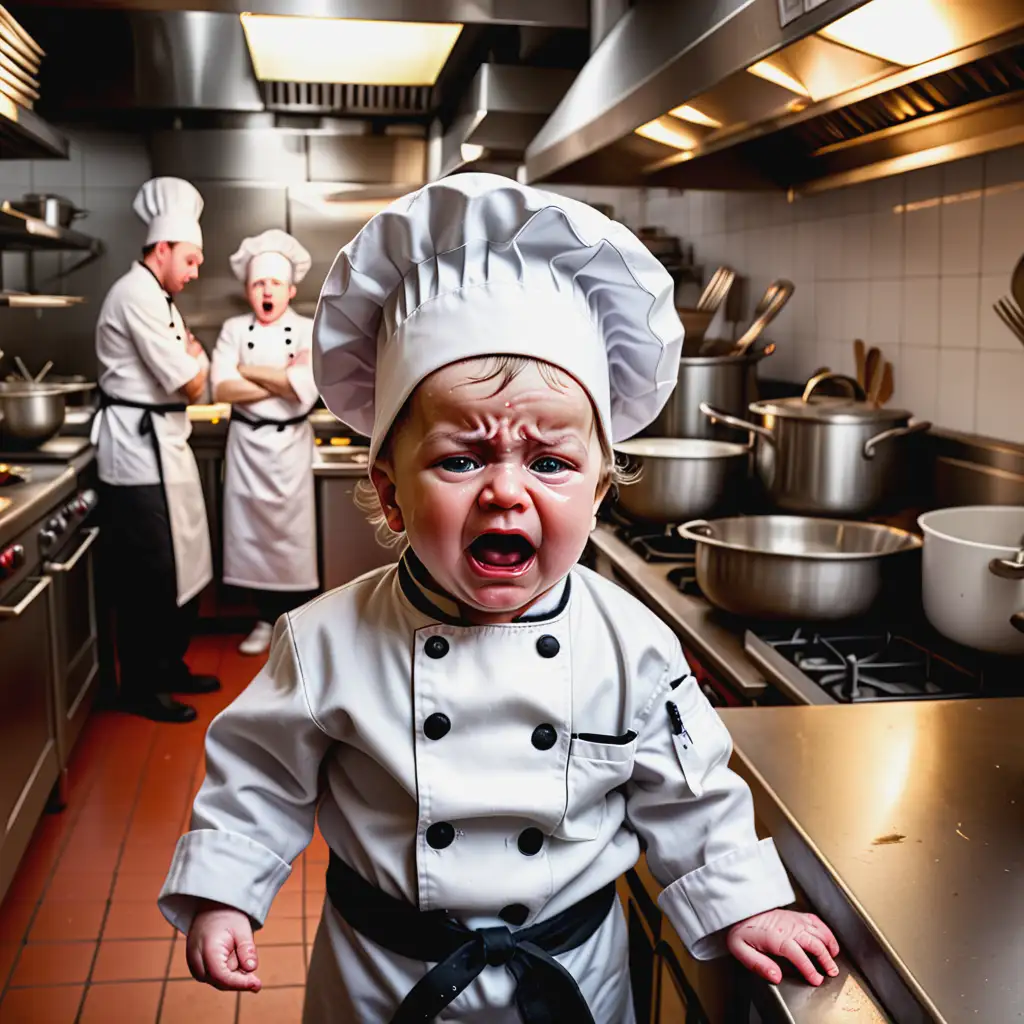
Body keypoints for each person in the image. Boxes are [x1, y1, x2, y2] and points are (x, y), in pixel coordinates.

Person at [158, 175, 839, 1022]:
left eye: (550, 463)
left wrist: (746, 901)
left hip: (571, 981)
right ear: (391, 492)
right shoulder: (325, 639)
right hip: (384, 982)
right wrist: (225, 891)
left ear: (598, 492)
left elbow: (688, 793)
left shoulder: (633, 643)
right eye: (461, 458)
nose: (506, 493)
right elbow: (259, 780)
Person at [91, 177, 220, 724]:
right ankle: (140, 686)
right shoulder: (136, 295)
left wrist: (194, 364)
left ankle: (168, 665)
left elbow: (192, 374)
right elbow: (191, 382)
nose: (194, 272)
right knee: (150, 575)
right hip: (136, 457)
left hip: (166, 446)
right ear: (162, 249)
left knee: (181, 567)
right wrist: (195, 362)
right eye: (190, 260)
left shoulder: (159, 297)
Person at [211, 229, 319, 656]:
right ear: (247, 290)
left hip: (291, 445)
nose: (266, 291)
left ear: (290, 290)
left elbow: (306, 388)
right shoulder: (234, 327)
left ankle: (296, 622)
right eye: (258, 284)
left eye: (274, 283)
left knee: (291, 540)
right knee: (251, 538)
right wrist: (282, 378)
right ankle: (261, 620)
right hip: (246, 447)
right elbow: (221, 389)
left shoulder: (310, 329)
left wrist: (246, 370)